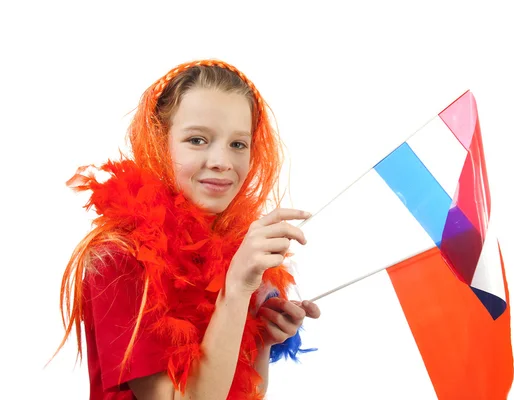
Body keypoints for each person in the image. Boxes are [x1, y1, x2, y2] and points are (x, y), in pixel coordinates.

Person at [53, 59, 321, 400]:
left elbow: (243, 393)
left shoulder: (233, 254)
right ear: (160, 143)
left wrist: (260, 339)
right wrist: (236, 289)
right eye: (197, 140)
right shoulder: (118, 257)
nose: (222, 161)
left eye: (238, 144)